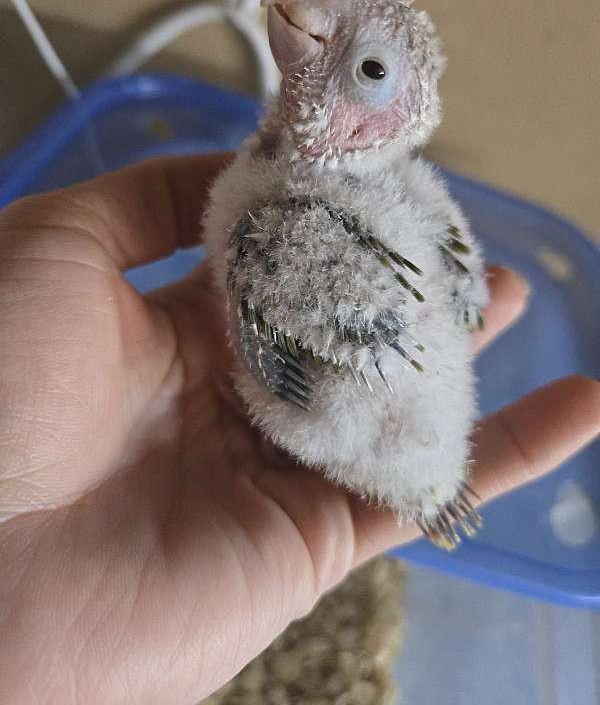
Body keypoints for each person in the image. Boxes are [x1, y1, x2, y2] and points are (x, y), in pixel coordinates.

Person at [0, 153, 598, 705]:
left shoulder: (371, 193)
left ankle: (427, 485)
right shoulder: (262, 204)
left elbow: (453, 281)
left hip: (386, 409)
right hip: (334, 417)